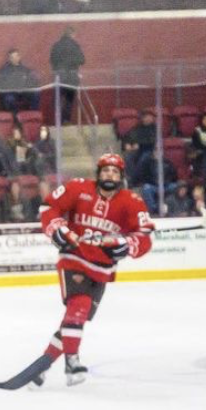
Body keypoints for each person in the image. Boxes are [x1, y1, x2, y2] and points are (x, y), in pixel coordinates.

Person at [36, 153, 153, 386]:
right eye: (105, 170)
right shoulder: (78, 188)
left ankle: (43, 365)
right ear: (98, 173)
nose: (109, 175)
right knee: (78, 306)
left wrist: (128, 245)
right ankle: (72, 362)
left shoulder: (132, 202)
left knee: (75, 320)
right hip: (74, 257)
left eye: (115, 172)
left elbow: (144, 237)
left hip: (101, 269)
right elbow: (49, 207)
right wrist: (57, 229)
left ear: (121, 176)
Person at [49, 27, 85, 124]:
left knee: (58, 98)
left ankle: (57, 120)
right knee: (69, 99)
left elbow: (52, 60)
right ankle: (66, 120)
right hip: (72, 76)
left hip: (59, 76)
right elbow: (82, 60)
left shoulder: (56, 45)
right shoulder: (75, 45)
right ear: (72, 34)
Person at [129, 146, 178, 215]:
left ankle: (171, 208)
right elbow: (143, 175)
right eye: (156, 151)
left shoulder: (167, 162)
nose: (158, 153)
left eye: (160, 151)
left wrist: (167, 181)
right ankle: (152, 209)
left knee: (175, 186)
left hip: (165, 186)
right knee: (147, 188)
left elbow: (173, 175)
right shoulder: (148, 162)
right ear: (154, 152)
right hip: (153, 186)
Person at [0, 48, 39, 115]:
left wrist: (27, 85)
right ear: (9, 59)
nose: (15, 59)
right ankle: (16, 117)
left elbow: (33, 81)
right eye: (12, 57)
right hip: (11, 93)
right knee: (9, 99)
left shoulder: (25, 69)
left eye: (16, 56)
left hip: (23, 93)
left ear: (19, 57)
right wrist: (8, 86)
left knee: (35, 93)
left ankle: (33, 114)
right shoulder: (4, 70)